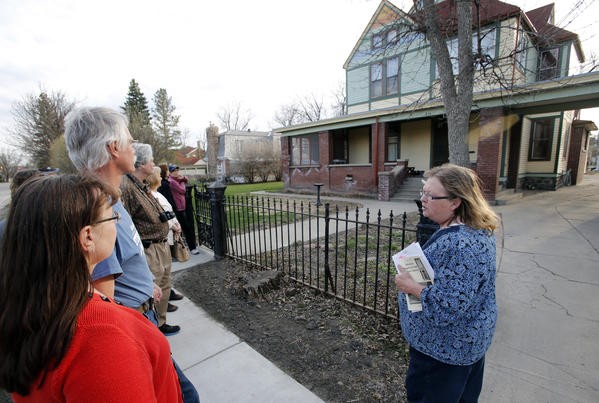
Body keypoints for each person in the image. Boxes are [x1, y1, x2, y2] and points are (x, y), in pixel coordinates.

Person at [0, 174, 182, 402]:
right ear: (88, 236)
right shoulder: (103, 340)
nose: (117, 222)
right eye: (112, 217)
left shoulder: (37, 307)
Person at [64, 106, 200, 403]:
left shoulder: (110, 197)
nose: (133, 142)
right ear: (113, 148)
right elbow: (102, 297)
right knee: (186, 396)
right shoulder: (94, 207)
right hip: (131, 326)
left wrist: (143, 287)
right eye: (128, 138)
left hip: (142, 311)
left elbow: (123, 261)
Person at [394, 163, 499, 403]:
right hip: (465, 347)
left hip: (442, 355)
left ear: (455, 202)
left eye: (431, 195)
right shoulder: (478, 231)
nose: (423, 200)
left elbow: (447, 308)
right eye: (423, 192)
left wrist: (411, 287)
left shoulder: (459, 245)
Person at [121, 143, 179, 330]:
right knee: (152, 291)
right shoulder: (127, 187)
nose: (154, 164)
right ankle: (153, 327)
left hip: (161, 245)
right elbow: (126, 223)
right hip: (149, 248)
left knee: (165, 284)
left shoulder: (142, 185)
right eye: (151, 160)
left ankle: (161, 323)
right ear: (141, 164)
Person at [147, 166, 183, 312]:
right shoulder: (152, 196)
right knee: (160, 275)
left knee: (166, 274)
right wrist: (173, 225)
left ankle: (165, 300)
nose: (162, 178)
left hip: (166, 237)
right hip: (160, 239)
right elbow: (159, 216)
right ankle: (162, 304)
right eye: (159, 176)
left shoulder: (157, 194)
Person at [168, 164, 199, 255]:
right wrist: (182, 181)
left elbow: (185, 179)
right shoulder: (172, 181)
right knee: (185, 228)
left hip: (182, 206)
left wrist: (183, 179)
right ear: (170, 172)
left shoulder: (176, 180)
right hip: (178, 208)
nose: (177, 172)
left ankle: (188, 247)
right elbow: (182, 190)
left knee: (185, 227)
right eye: (174, 171)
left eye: (177, 170)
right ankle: (192, 248)